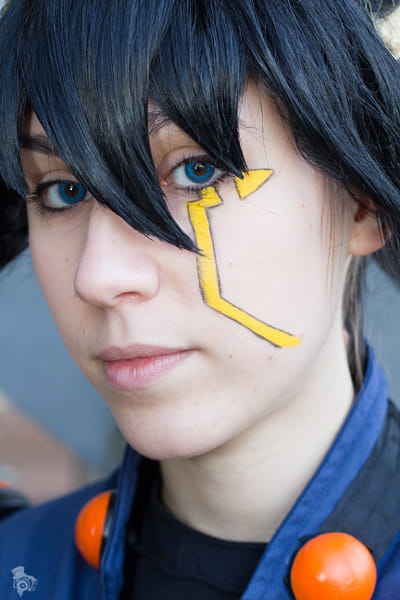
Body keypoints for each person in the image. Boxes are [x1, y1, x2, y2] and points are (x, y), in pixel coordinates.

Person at [0, 0, 400, 598]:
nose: (97, 276)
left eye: (195, 171)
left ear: (361, 199)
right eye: (64, 190)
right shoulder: (18, 568)